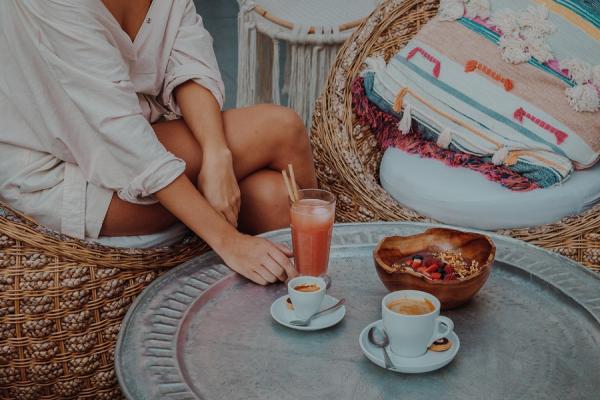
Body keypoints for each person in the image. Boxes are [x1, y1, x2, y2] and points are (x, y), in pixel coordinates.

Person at [0, 0, 318, 285]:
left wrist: (216, 155)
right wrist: (229, 242)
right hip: (64, 169)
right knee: (283, 129)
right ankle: (326, 282)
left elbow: (187, 56)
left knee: (272, 198)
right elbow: (122, 138)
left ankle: (302, 314)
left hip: (136, 135)